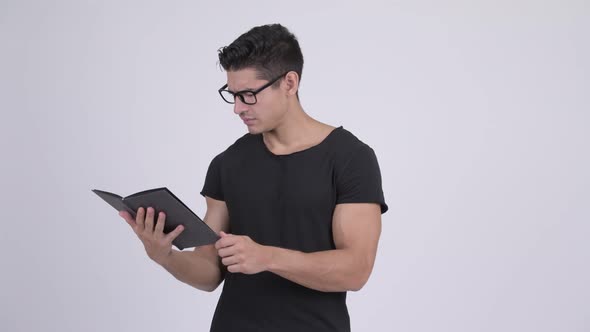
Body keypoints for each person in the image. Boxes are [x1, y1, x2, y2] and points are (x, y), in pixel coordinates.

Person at [119, 23, 388, 332]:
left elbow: (356, 270)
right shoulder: (228, 162)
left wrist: (267, 257)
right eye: (232, 95)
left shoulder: (351, 157)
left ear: (289, 83)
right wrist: (165, 256)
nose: (237, 108)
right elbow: (209, 271)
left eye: (248, 95)